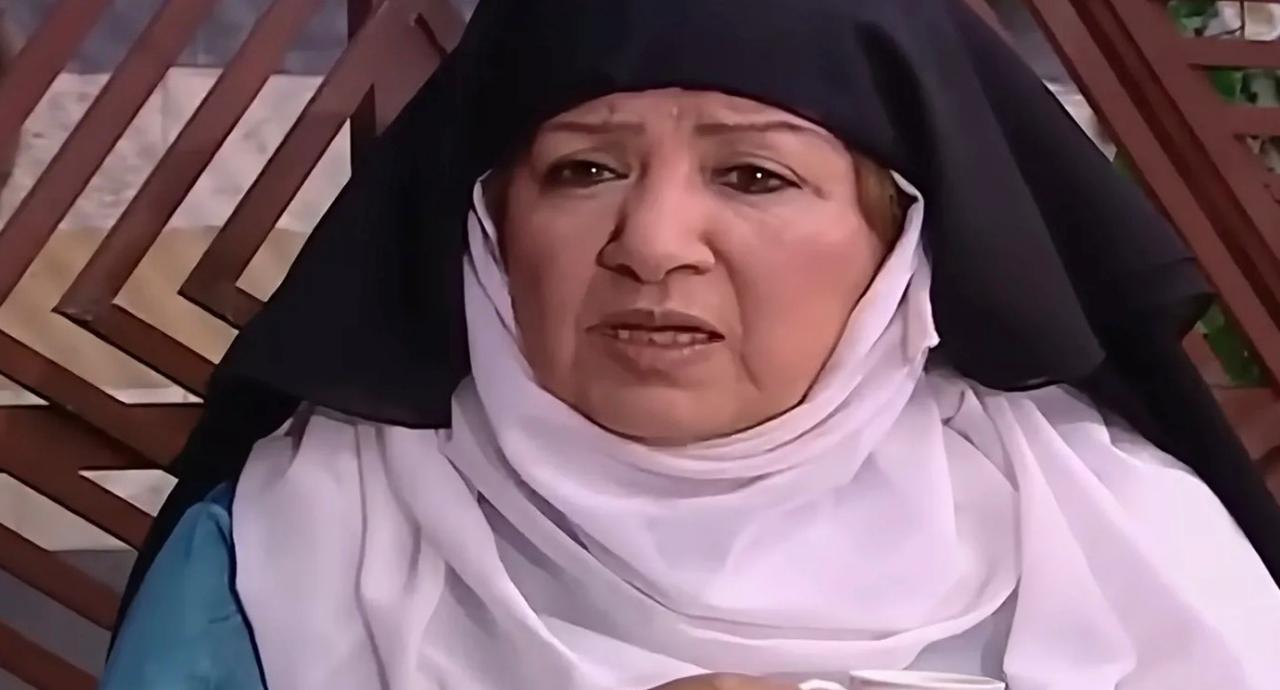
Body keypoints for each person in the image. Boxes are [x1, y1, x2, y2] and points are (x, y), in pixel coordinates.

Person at [102, 1, 1280, 689]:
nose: (652, 245)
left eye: (753, 175)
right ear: (490, 231)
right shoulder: (284, 553)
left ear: (901, 248)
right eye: (582, 170)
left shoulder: (1128, 548)